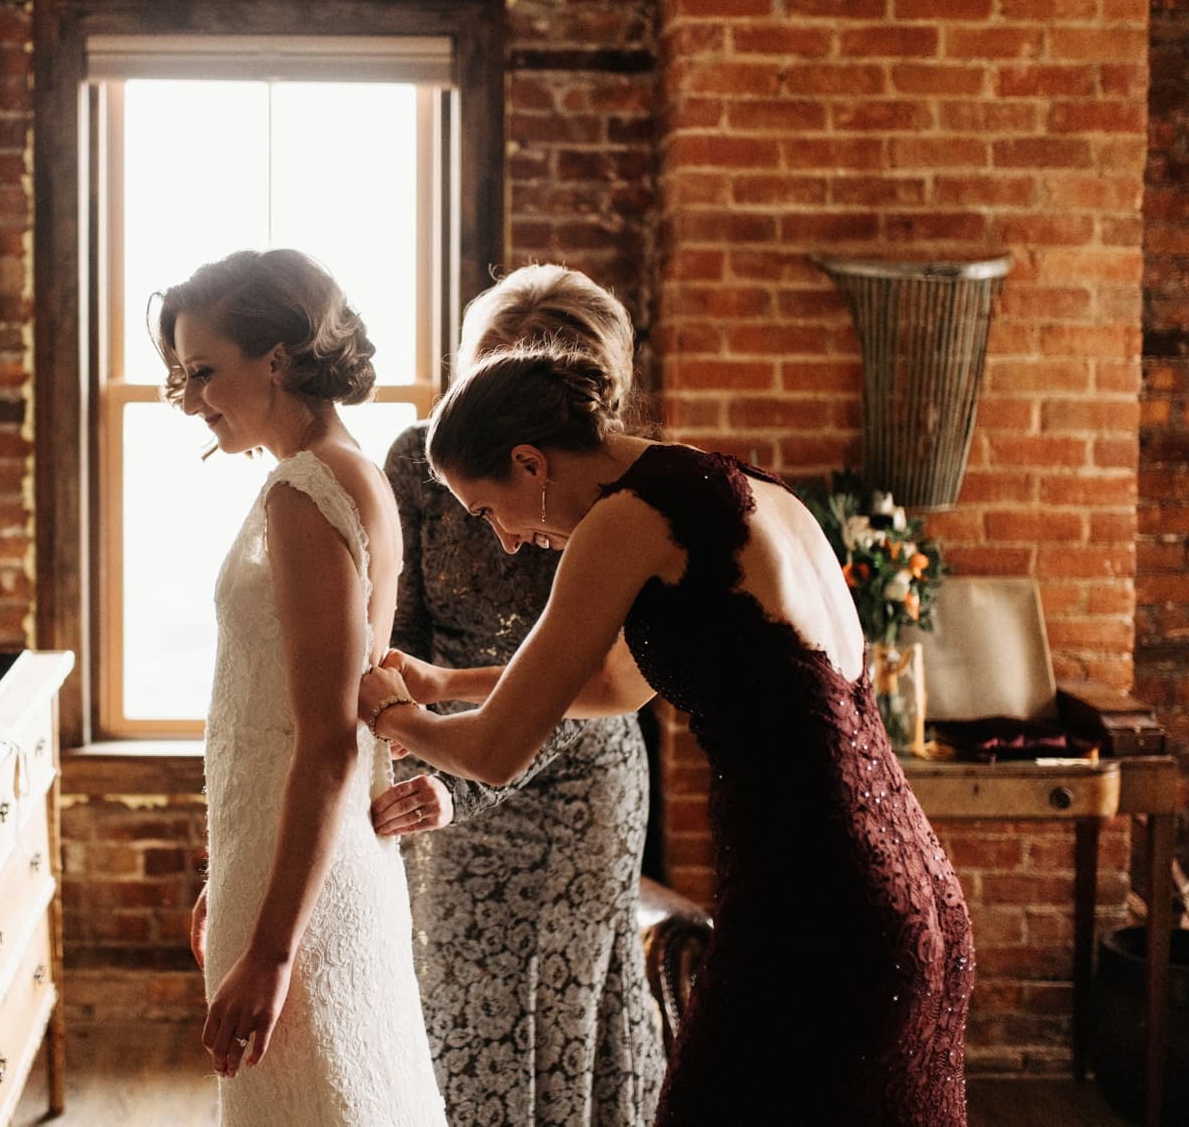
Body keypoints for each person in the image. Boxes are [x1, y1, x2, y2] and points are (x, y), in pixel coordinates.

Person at [358, 347, 973, 1126]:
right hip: (911, 890)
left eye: (486, 511)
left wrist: (389, 713)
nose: (506, 542)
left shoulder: (622, 522)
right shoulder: (735, 487)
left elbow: (493, 752)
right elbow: (614, 686)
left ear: (528, 461)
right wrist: (446, 685)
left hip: (814, 902)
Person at [154, 248, 446, 1126]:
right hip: (306, 850)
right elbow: (344, 700)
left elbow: (325, 737)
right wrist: (239, 868)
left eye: (205, 371)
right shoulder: (354, 471)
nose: (194, 399)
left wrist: (273, 950)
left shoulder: (304, 490)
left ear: (275, 358)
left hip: (306, 890)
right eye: (182, 374)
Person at [368, 265, 665, 1126]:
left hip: (578, 788)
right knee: (454, 1013)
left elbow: (591, 679)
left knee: (561, 1020)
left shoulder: (613, 498)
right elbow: (406, 632)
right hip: (442, 755)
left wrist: (453, 770)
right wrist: (410, 733)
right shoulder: (419, 465)